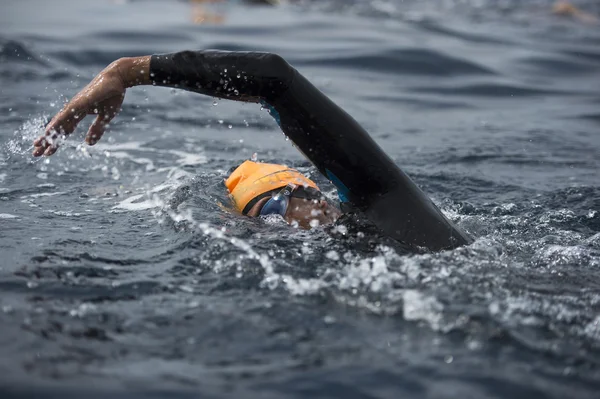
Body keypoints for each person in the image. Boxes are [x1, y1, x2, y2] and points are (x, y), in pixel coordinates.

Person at [33, 50, 472, 251]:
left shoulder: (379, 205)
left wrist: (127, 71)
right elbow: (276, 80)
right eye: (269, 211)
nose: (289, 213)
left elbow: (275, 77)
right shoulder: (386, 213)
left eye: (286, 198)